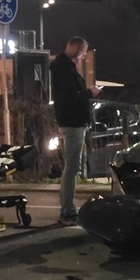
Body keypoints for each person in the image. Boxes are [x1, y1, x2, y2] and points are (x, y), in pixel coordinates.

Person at [49, 36, 102, 224]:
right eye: (81, 53)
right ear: (74, 49)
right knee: (72, 167)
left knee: (71, 167)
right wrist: (90, 92)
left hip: (71, 121)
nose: (82, 57)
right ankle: (67, 211)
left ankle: (67, 208)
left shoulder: (62, 68)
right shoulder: (65, 70)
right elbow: (71, 97)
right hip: (73, 122)